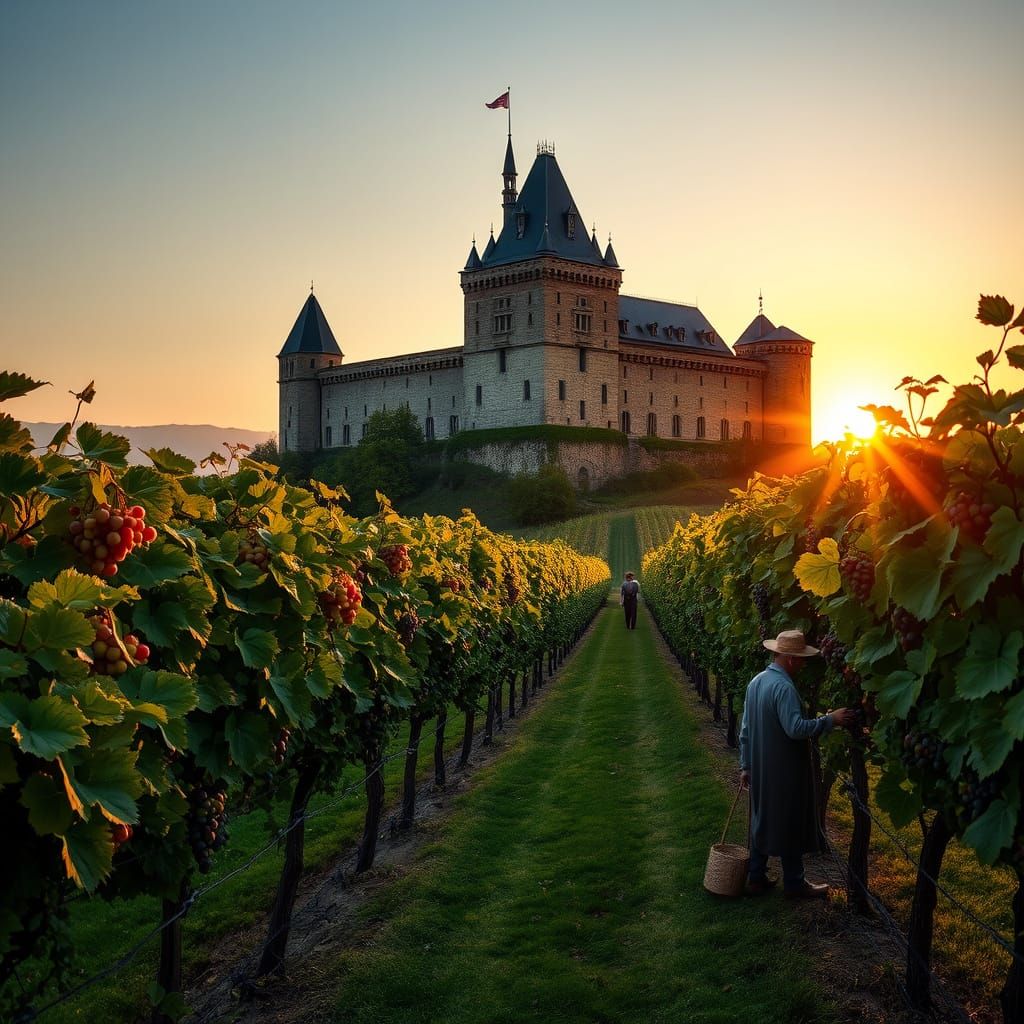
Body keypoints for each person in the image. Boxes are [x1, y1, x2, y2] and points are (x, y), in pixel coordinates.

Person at [738, 629, 857, 899]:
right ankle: (795, 883)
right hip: (783, 771)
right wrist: (831, 720)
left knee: (762, 819)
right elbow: (795, 729)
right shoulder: (784, 687)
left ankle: (755, 877)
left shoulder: (757, 681)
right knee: (788, 821)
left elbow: (745, 729)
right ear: (790, 659)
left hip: (760, 767)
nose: (804, 665)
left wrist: (745, 765)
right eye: (802, 659)